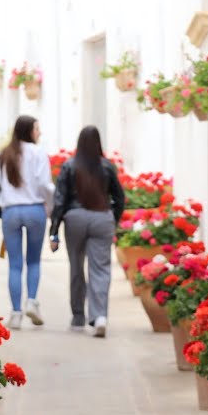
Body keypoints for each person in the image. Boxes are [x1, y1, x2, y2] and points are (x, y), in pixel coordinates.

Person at [49, 126, 125, 337]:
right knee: (100, 268)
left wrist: (54, 231)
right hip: (102, 218)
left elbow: (59, 200)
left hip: (75, 218)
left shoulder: (69, 166)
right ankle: (99, 316)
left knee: (76, 266)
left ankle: (78, 317)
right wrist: (113, 219)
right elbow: (119, 198)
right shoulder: (107, 166)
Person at [0, 115, 54, 330]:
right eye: (37, 129)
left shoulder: (4, 154)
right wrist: (51, 208)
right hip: (34, 210)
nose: (39, 133)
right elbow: (45, 184)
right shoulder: (38, 153)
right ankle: (31, 301)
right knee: (33, 261)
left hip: (11, 212)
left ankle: (15, 314)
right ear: (28, 131)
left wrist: (5, 193)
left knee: (15, 264)